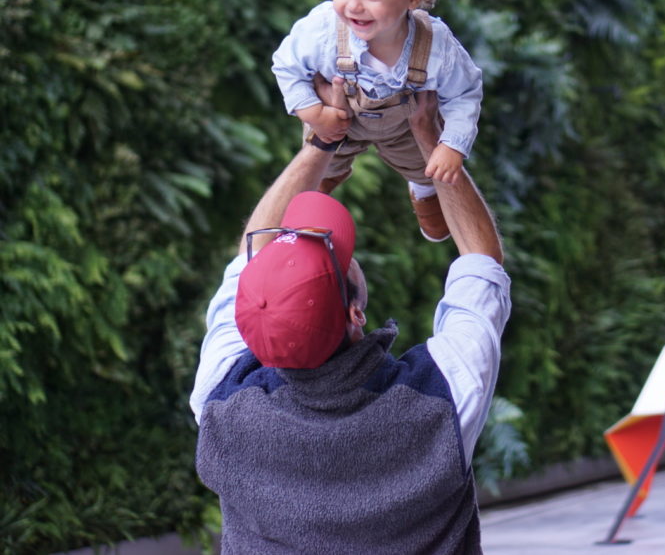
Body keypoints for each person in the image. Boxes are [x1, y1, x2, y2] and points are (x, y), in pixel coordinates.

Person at [190, 83, 510, 553]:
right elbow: (483, 262)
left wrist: (319, 144)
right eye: (335, 259)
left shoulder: (220, 405)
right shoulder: (438, 399)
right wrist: (431, 139)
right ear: (355, 312)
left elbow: (250, 249)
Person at [272, 0, 484, 242]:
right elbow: (287, 66)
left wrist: (452, 145)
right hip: (338, 118)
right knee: (323, 163)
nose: (352, 6)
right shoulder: (323, 30)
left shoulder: (435, 46)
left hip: (406, 127)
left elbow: (464, 93)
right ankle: (318, 193)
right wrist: (312, 112)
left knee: (424, 163)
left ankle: (423, 188)